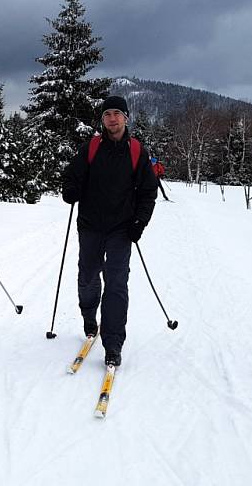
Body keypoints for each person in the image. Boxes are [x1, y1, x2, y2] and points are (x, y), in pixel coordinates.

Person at [61, 95, 157, 367]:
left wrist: (140, 221)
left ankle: (113, 344)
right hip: (90, 225)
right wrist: (70, 190)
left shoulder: (137, 151)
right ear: (102, 119)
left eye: (117, 113)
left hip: (121, 230)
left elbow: (148, 192)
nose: (112, 118)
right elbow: (72, 175)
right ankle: (90, 317)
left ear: (126, 117)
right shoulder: (91, 147)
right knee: (88, 276)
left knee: (116, 285)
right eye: (107, 114)